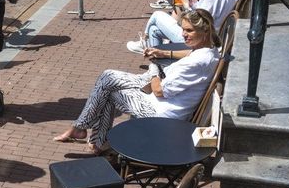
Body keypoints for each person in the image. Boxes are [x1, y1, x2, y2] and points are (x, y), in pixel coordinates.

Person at [55, 9, 221, 154]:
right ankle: (91, 137)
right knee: (107, 79)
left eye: (189, 31)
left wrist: (154, 65)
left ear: (204, 32)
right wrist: (165, 54)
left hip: (160, 113)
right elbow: (191, 55)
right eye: (183, 29)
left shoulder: (197, 62)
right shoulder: (209, 52)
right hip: (161, 99)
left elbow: (159, 91)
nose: (183, 34)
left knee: (108, 88)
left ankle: (87, 133)